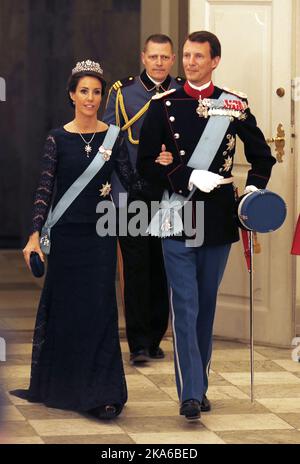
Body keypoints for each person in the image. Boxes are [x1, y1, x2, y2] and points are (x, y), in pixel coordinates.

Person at [137, 31, 276, 420]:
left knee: (205, 306)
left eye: (199, 56)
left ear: (215, 60)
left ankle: (199, 383)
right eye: (186, 55)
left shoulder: (233, 105)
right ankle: (190, 394)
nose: (190, 62)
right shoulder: (163, 104)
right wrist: (184, 178)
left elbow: (262, 157)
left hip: (216, 216)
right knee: (184, 304)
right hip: (175, 214)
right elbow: (145, 164)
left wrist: (250, 191)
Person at [11, 60, 131, 419]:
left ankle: (103, 393)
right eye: (84, 91)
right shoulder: (57, 138)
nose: (90, 98)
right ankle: (62, 385)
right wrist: (34, 235)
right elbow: (45, 190)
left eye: (96, 92)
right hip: (65, 239)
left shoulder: (114, 136)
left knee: (100, 311)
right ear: (72, 95)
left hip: (100, 238)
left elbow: (132, 181)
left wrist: (161, 164)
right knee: (67, 311)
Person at [103, 34, 184, 364]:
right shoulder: (123, 92)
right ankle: (137, 342)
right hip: (129, 189)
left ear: (173, 58)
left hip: (167, 192)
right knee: (135, 266)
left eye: (165, 57)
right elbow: (110, 138)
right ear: (143, 57)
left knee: (163, 263)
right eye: (154, 57)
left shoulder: (181, 92)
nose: (159, 63)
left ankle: (155, 336)